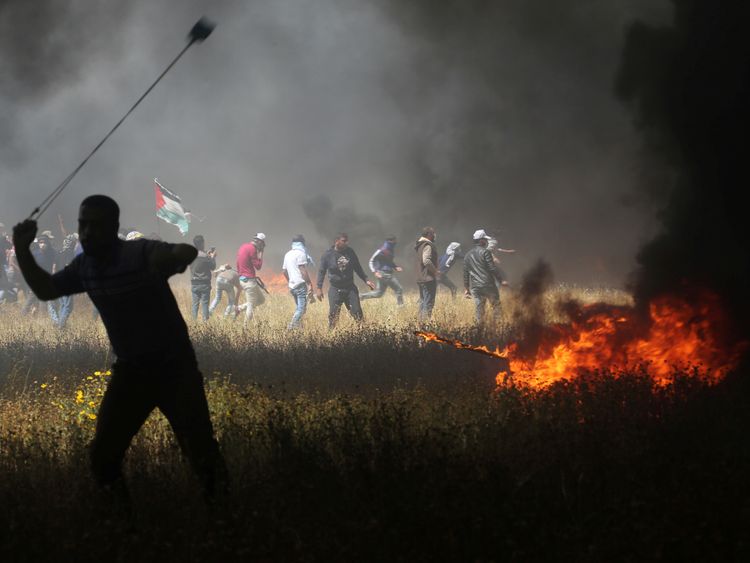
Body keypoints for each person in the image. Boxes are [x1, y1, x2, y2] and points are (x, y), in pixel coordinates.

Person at [12, 195, 227, 504]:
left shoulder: (139, 253)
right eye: (83, 225)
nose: (87, 233)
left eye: (95, 226)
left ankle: (224, 520)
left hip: (173, 368)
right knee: (102, 458)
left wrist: (168, 259)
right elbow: (46, 290)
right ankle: (125, 531)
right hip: (131, 371)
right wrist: (21, 249)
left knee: (201, 453)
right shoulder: (85, 266)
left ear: (113, 227)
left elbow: (186, 251)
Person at [316, 232, 375, 328]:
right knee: (333, 315)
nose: (346, 243)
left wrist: (366, 279)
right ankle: (331, 335)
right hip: (335, 289)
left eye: (347, 241)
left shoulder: (350, 252)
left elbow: (357, 267)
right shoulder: (327, 255)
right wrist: (319, 288)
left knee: (357, 312)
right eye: (344, 241)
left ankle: (364, 332)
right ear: (336, 241)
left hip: (350, 288)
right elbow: (321, 271)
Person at [463, 229, 505, 325]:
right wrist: (501, 280)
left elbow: (465, 274)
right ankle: (498, 328)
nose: (486, 241)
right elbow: (492, 268)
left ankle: (479, 330)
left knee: (479, 309)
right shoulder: (486, 252)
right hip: (488, 285)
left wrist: (466, 288)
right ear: (481, 240)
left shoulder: (467, 255)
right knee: (496, 307)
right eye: (485, 239)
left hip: (475, 287)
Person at [360, 236, 404, 306]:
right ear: (390, 241)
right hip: (384, 274)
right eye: (394, 241)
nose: (396, 243)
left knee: (379, 293)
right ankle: (401, 307)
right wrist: (375, 271)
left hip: (384, 273)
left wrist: (395, 267)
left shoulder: (390, 249)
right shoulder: (382, 250)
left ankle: (361, 296)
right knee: (399, 289)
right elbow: (371, 260)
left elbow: (389, 262)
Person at [282, 235, 314, 329]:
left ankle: (300, 328)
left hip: (292, 286)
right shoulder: (301, 253)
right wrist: (309, 283)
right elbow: (302, 270)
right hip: (300, 285)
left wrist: (289, 281)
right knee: (301, 309)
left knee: (299, 308)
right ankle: (291, 327)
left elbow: (284, 271)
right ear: (302, 243)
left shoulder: (287, 254)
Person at [236, 233, 266, 324]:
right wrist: (260, 253)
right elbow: (258, 266)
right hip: (249, 281)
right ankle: (245, 328)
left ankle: (239, 309)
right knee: (251, 305)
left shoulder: (243, 246)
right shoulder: (253, 249)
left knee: (261, 300)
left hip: (242, 279)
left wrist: (240, 274)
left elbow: (237, 263)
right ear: (260, 242)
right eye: (262, 244)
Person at [414, 227, 440, 322]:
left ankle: (420, 323)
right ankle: (425, 325)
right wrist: (435, 271)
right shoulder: (428, 245)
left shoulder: (419, 245)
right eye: (433, 233)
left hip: (421, 278)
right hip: (428, 278)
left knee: (422, 302)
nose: (435, 235)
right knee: (428, 303)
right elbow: (427, 261)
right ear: (429, 234)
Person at [189, 235, 216, 321]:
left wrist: (206, 253)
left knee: (195, 305)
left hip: (194, 283)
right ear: (201, 243)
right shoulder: (205, 256)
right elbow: (213, 267)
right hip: (204, 284)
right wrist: (212, 257)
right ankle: (205, 324)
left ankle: (193, 324)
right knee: (205, 304)